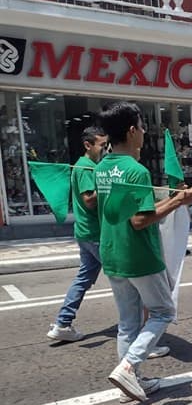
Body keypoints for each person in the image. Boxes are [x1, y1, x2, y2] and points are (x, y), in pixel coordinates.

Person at [96, 102, 192, 403]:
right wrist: (179, 201)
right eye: (142, 127)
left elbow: (126, 210)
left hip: (112, 251)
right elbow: (140, 220)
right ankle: (129, 367)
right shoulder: (136, 170)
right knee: (163, 311)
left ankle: (132, 381)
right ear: (131, 131)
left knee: (128, 321)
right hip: (139, 254)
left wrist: (173, 200)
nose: (143, 133)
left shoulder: (102, 168)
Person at [46, 127, 108, 342]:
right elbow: (89, 200)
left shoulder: (90, 166)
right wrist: (110, 184)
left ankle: (63, 323)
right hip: (95, 233)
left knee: (84, 278)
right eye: (101, 145)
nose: (105, 149)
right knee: (126, 282)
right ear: (87, 145)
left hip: (85, 232)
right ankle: (139, 334)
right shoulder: (85, 168)